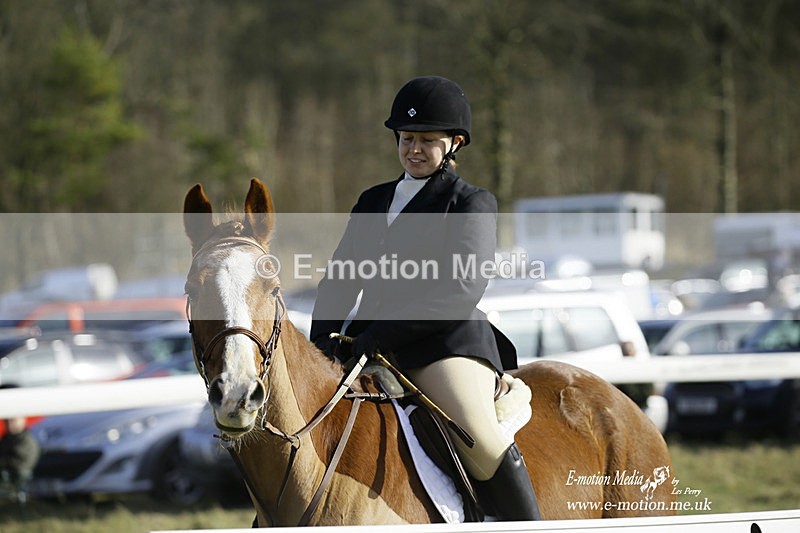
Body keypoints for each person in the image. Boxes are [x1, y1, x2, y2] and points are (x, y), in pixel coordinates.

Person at [310, 75, 540, 521]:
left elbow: (460, 290)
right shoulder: (373, 201)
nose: (414, 149)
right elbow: (339, 280)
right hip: (365, 346)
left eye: (427, 141)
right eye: (407, 138)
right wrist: (322, 345)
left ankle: (527, 529)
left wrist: (382, 333)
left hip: (441, 346)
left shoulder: (469, 202)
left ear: (454, 143)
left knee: (481, 439)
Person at [0, 386, 41, 504]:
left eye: (13, 420)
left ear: (22, 420)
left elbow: (20, 464)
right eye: (7, 420)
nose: (9, 423)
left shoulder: (26, 441)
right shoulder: (7, 438)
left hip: (14, 477)